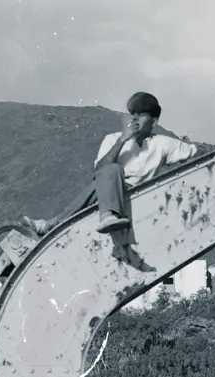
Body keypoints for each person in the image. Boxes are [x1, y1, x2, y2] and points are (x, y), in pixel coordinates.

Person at [23, 92, 197, 270]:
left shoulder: (162, 143)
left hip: (137, 198)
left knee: (107, 176)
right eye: (133, 113)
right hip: (108, 193)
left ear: (154, 121)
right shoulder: (113, 139)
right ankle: (107, 216)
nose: (135, 118)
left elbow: (193, 151)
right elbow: (100, 170)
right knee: (111, 170)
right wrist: (123, 139)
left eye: (142, 114)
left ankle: (50, 224)